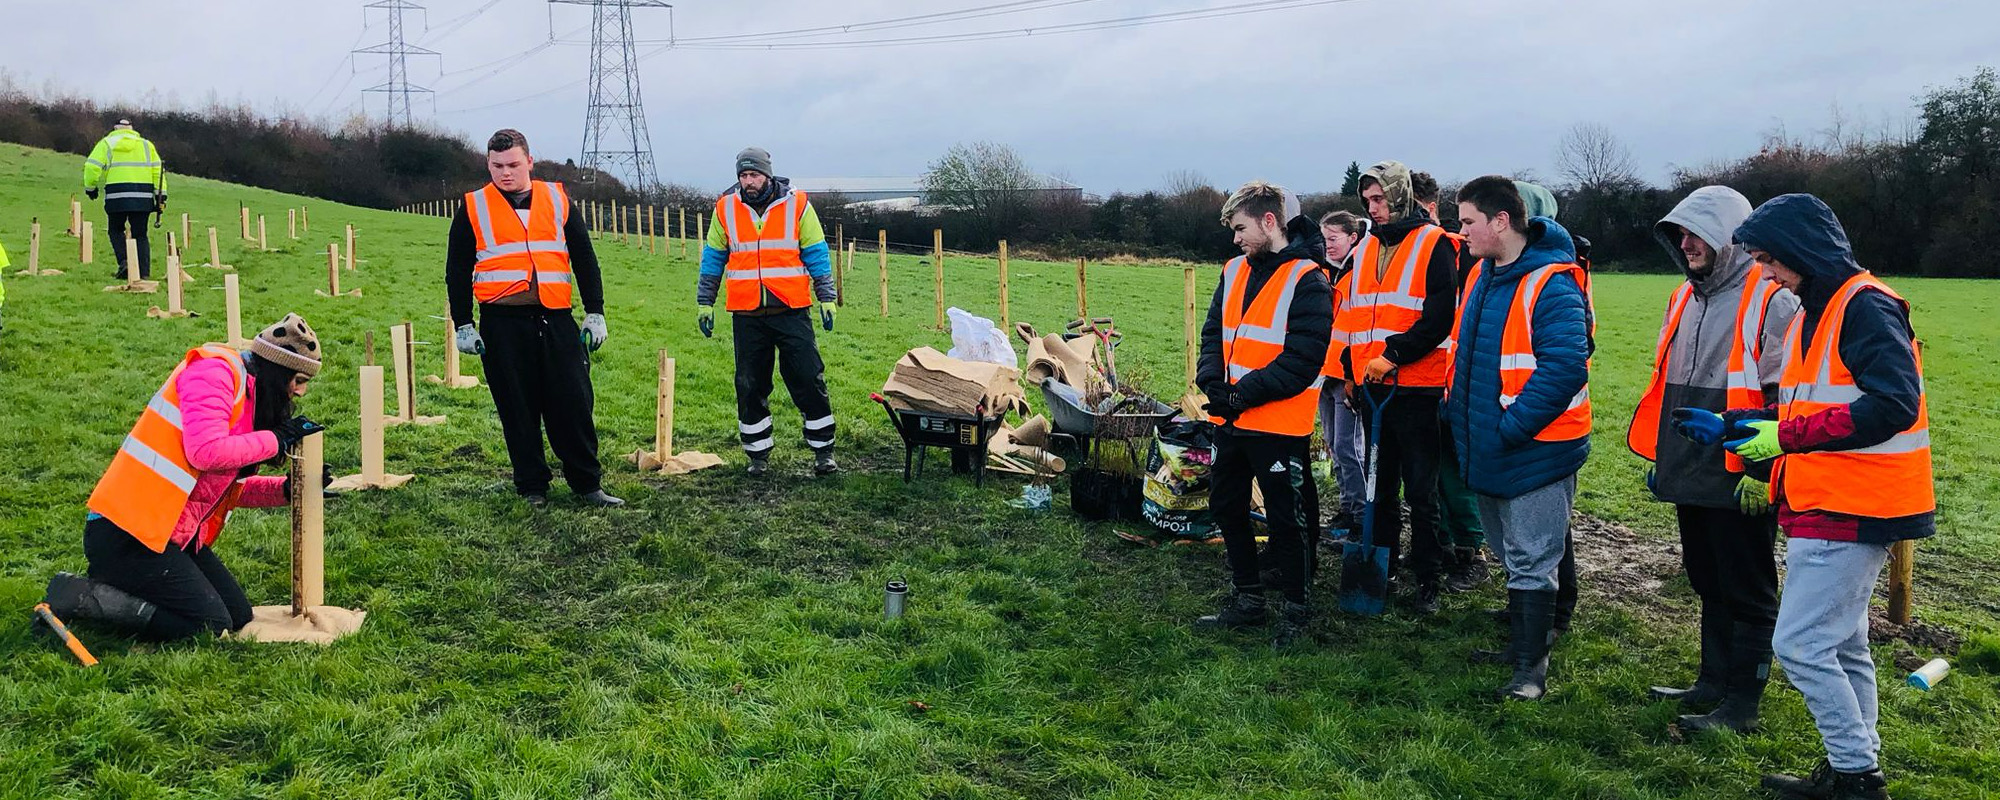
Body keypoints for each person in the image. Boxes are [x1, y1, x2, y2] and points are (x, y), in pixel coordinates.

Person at [1718, 194, 1931, 800]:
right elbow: (1818, 402)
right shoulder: (1821, 308)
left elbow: (1894, 404)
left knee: (1801, 644)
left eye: (1769, 260)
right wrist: (1749, 425)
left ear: (1800, 251)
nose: (1765, 273)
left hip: (1857, 503)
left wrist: (1784, 435)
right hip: (1830, 499)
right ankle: (1853, 768)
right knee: (1843, 642)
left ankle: (1857, 776)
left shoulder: (1864, 307)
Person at [39, 315, 327, 641]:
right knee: (209, 625)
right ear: (278, 371)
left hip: (168, 532)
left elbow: (218, 488)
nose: (299, 392)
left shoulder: (248, 397)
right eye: (298, 380)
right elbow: (204, 451)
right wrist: (277, 438)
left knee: (238, 615)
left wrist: (287, 490)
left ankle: (129, 586)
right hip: (126, 533)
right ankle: (83, 596)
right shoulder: (215, 372)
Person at [1630, 186, 1799, 735]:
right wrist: (1668, 459)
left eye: (1695, 232)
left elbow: (1786, 397)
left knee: (1747, 588)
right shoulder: (1684, 295)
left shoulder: (1771, 297)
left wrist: (1760, 470)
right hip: (1691, 465)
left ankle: (1741, 704)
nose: (1685, 243)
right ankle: (1712, 681)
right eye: (1679, 234)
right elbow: (1671, 386)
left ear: (1729, 236)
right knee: (1707, 578)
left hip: (1742, 466)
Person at [1443, 176, 1593, 701]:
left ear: (1501, 221)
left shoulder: (1551, 283)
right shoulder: (1485, 275)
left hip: (1535, 447)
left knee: (1532, 556)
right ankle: (1520, 645)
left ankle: (1531, 671)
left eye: (1467, 222)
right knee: (1511, 551)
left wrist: (1512, 427)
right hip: (1488, 442)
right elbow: (1466, 354)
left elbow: (1565, 367)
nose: (1459, 231)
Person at [448, 129, 621, 508]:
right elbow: (457, 269)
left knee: (574, 402)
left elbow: (584, 257)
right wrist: (462, 322)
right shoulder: (473, 206)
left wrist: (596, 311)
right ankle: (532, 488)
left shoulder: (557, 199)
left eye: (513, 164)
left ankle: (587, 484)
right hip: (502, 323)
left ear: (529, 161)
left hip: (556, 318)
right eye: (497, 166)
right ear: (488, 164)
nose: (505, 173)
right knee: (517, 408)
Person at [1195, 181, 1332, 649]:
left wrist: (1241, 394)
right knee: (1226, 507)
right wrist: (1211, 382)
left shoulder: (1309, 279)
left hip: (1277, 425)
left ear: (1269, 222)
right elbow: (1213, 332)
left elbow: (1303, 359)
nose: (1236, 239)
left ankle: (1297, 610)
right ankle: (1248, 599)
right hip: (1230, 419)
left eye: (1241, 228)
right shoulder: (1234, 270)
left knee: (1286, 520)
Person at [1332, 160, 1459, 614]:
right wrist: (1351, 369)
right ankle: (1380, 565)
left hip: (1416, 386)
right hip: (1371, 387)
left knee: (1420, 490)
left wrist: (1394, 356)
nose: (1374, 208)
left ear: (1400, 195)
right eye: (1367, 201)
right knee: (1378, 485)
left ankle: (1428, 576)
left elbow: (1440, 317)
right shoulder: (1365, 247)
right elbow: (1353, 316)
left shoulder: (1434, 244)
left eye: (1380, 198)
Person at [696, 147, 841, 477]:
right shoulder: (726, 209)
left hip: (791, 309)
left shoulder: (797, 204)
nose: (749, 182)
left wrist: (826, 296)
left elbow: (816, 252)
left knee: (807, 378)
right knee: (750, 385)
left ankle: (823, 452)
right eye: (743, 176)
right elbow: (713, 257)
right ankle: (757, 455)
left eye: (754, 175)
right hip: (747, 314)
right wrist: (705, 301)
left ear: (768, 175)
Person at [1415, 171, 1491, 592]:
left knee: (1455, 470)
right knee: (1429, 470)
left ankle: (1470, 549)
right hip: (1425, 377)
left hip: (1456, 378)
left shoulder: (1460, 252)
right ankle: (1441, 540)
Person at [1316, 210, 1367, 542]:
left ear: (1353, 238)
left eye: (1333, 239)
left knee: (1349, 447)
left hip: (1347, 374)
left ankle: (1361, 516)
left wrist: (1353, 375)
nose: (1327, 246)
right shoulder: (1330, 275)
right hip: (1327, 372)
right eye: (1324, 239)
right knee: (1335, 446)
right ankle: (1347, 508)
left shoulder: (1358, 276)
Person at [80, 118, 165, 281]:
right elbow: (158, 171)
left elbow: (92, 166)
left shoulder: (106, 143)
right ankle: (144, 273)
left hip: (116, 195)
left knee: (115, 230)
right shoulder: (146, 145)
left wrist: (91, 187)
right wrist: (161, 195)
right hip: (142, 196)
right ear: (132, 129)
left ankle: (125, 262)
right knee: (140, 234)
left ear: (115, 129)